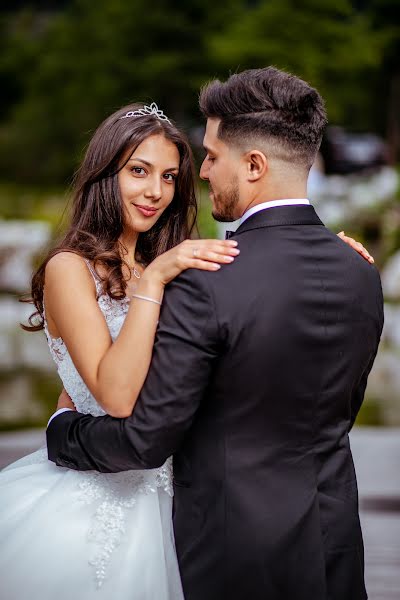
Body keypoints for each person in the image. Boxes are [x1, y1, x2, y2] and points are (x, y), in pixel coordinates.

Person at [44, 68, 383, 600]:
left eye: (208, 157)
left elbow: (144, 438)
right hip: (332, 540)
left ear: (254, 165)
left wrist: (62, 431)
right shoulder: (358, 272)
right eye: (139, 171)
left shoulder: (203, 280)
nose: (201, 173)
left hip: (231, 547)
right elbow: (336, 404)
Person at [0, 101, 241, 600]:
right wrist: (154, 280)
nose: (156, 192)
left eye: (170, 177)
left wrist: (326, 255)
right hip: (90, 500)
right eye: (139, 171)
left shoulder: (172, 264)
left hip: (174, 497)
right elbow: (116, 395)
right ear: (104, 174)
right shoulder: (71, 269)